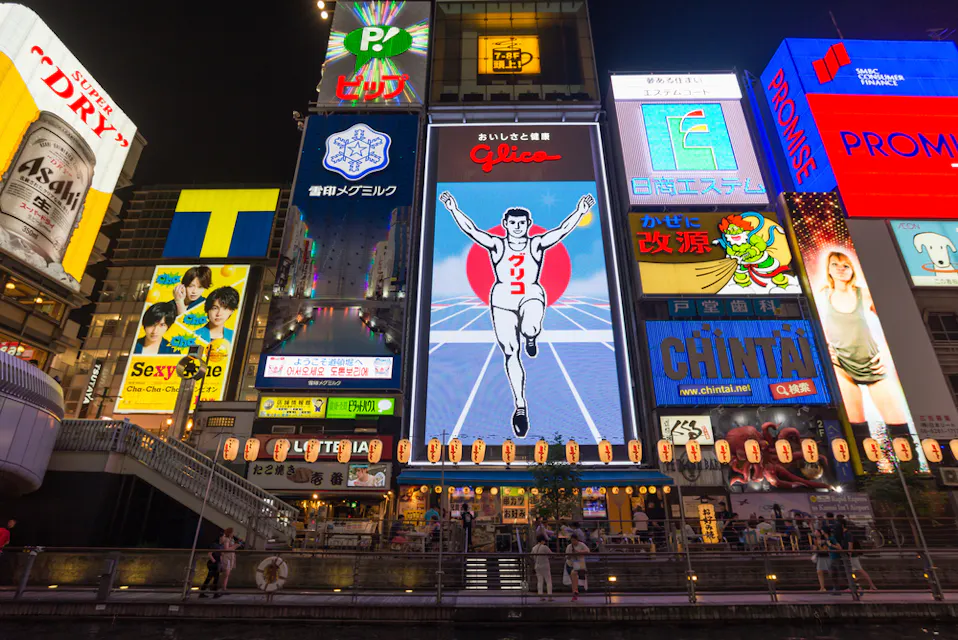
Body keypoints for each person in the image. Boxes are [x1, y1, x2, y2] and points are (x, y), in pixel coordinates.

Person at [439, 190, 596, 437]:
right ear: (505, 225)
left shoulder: (536, 243)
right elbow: (471, 230)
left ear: (528, 225)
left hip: (531, 294)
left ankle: (531, 335)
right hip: (502, 300)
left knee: (530, 327)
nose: (517, 227)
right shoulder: (496, 244)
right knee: (511, 352)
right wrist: (453, 209)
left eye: (522, 223)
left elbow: (562, 230)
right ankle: (520, 406)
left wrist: (579, 211)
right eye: (513, 223)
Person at [820, 251, 909, 456]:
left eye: (845, 266)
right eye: (835, 265)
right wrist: (825, 348)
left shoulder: (865, 293)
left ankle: (910, 472)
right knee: (856, 424)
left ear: (852, 269)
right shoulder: (823, 294)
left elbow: (893, 323)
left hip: (871, 361)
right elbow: (816, 325)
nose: (841, 270)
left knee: (897, 421)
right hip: (841, 364)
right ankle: (869, 472)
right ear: (829, 269)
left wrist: (886, 352)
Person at [564, 533, 590, 602]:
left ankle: (575, 592)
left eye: (574, 540)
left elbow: (587, 551)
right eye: (572, 541)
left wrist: (579, 552)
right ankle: (575, 592)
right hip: (571, 564)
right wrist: (569, 556)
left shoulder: (581, 545)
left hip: (579, 564)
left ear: (577, 540)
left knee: (573, 574)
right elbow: (566, 556)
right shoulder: (569, 547)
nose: (573, 542)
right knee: (573, 579)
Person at [531, 534, 554, 601]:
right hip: (545, 566)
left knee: (540, 581)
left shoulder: (534, 548)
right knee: (548, 581)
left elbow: (532, 556)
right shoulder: (544, 547)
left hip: (537, 566)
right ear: (542, 540)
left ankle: (541, 596)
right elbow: (551, 554)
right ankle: (550, 596)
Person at [218, 528, 240, 594]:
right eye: (232, 532)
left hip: (231, 557)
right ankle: (223, 588)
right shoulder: (226, 539)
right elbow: (226, 549)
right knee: (226, 573)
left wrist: (235, 546)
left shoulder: (231, 539)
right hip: (227, 557)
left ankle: (224, 587)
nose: (233, 534)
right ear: (229, 533)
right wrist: (235, 546)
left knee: (228, 573)